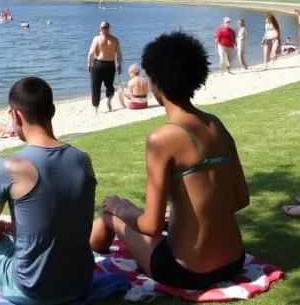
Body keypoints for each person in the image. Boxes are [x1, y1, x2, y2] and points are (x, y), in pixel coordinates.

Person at [89, 31, 248, 290]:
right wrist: (180, 215)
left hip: (186, 270)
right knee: (129, 209)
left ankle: (80, 260)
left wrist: (120, 209)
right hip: (234, 261)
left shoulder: (161, 138)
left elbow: (150, 226)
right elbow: (241, 199)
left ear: (155, 83)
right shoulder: (216, 125)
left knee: (110, 212)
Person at [0, 77, 97, 304]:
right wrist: (11, 225)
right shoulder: (82, 160)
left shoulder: (10, 167)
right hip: (80, 283)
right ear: (52, 111)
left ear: (16, 115)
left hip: (30, 290)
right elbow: (61, 214)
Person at [87, 21, 123, 113]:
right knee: (96, 86)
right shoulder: (97, 39)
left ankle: (108, 101)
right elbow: (91, 53)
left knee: (110, 86)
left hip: (110, 64)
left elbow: (119, 53)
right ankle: (96, 106)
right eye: (101, 27)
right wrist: (89, 63)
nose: (102, 29)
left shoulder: (115, 39)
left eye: (104, 27)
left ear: (108, 28)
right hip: (98, 63)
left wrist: (119, 65)